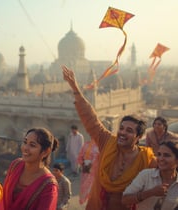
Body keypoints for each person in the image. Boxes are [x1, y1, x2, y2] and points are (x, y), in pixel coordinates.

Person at [61, 65, 157, 210]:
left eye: (129, 130)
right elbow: (91, 119)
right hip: (97, 205)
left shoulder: (146, 159)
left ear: (138, 137)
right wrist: (75, 87)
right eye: (121, 128)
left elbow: (164, 173)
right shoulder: (108, 142)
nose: (123, 133)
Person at [0, 127, 59, 210]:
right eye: (25, 142)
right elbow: (3, 201)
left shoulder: (48, 186)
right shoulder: (16, 165)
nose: (25, 148)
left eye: (32, 145)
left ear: (45, 152)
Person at [122, 141, 178, 210]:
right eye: (159, 154)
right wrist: (151, 192)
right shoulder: (146, 175)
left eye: (167, 155)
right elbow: (125, 199)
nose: (161, 158)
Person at [76, 139, 99, 205]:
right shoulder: (86, 144)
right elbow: (81, 155)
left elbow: (98, 156)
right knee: (84, 187)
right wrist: (82, 163)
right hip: (85, 170)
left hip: (94, 171)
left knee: (92, 189)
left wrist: (91, 165)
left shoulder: (99, 145)